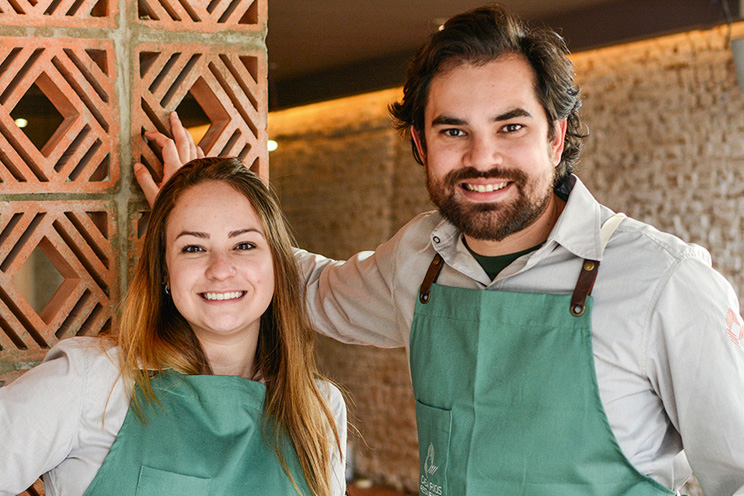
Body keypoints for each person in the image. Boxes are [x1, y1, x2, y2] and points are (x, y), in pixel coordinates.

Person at [134, 5, 744, 495]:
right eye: (454, 131)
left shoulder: (665, 282)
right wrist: (202, 212)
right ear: (421, 145)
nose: (482, 159)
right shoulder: (420, 258)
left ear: (556, 138)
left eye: (511, 127)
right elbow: (308, 288)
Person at [0, 157, 347, 496]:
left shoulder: (318, 408)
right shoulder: (92, 381)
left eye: (244, 245)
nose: (221, 268)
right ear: (165, 270)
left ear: (277, 263)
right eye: (193, 248)